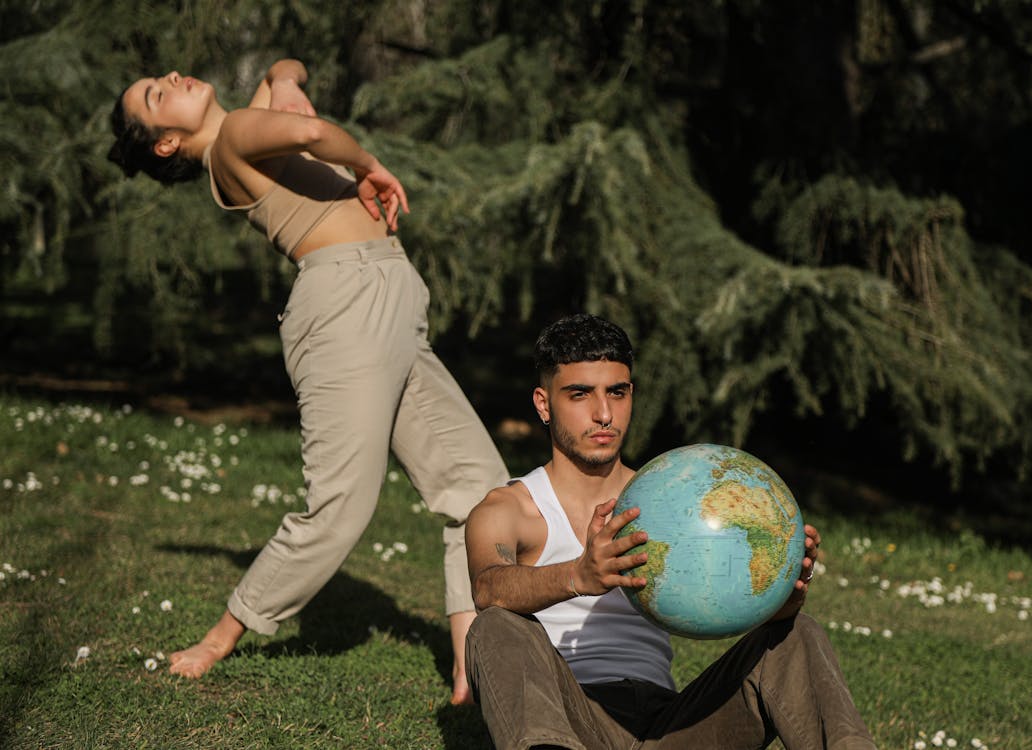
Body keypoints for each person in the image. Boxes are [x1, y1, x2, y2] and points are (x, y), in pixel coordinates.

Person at [107, 59, 509, 704]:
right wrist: (370, 163)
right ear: (165, 143)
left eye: (167, 74)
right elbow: (315, 138)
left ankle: (470, 664)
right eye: (159, 93)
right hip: (346, 306)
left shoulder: (243, 122)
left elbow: (283, 71)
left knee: (481, 488)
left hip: (387, 294)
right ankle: (223, 635)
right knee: (342, 503)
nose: (176, 76)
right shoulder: (235, 135)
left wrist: (286, 80)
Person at [464, 313, 877, 749]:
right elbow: (488, 588)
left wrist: (778, 599)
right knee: (496, 625)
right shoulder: (511, 508)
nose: (603, 414)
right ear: (544, 404)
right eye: (580, 394)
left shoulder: (676, 499)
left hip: (672, 728)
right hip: (574, 719)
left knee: (799, 634)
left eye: (617, 393)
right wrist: (577, 576)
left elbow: (724, 600)